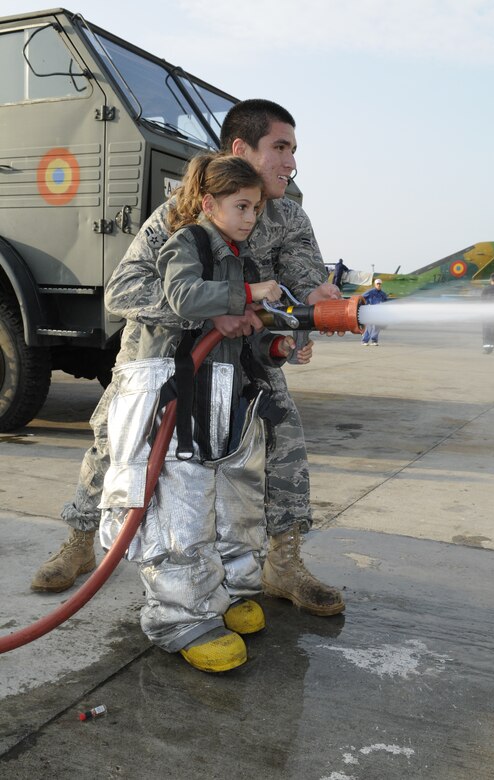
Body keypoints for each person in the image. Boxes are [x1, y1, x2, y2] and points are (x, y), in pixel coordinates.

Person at [31, 99, 346, 618]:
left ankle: (283, 562)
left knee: (283, 434)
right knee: (115, 437)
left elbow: (301, 282)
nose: (291, 163)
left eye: (294, 150)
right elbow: (123, 290)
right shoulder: (183, 210)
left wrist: (311, 312)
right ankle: (81, 541)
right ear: (241, 149)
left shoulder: (288, 215)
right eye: (281, 148)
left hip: (242, 356)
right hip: (159, 353)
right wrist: (205, 311)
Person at [100, 153, 296, 672]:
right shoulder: (185, 240)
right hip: (178, 400)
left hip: (225, 397)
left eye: (255, 207)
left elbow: (240, 331)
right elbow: (183, 297)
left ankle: (225, 593)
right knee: (181, 508)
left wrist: (272, 346)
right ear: (209, 203)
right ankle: (181, 617)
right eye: (242, 206)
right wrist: (243, 296)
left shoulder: (239, 255)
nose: (252, 216)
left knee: (234, 502)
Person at [361, 278, 388, 346]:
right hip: (370, 311)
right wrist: (367, 304)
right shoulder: (370, 292)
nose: (379, 285)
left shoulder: (383, 294)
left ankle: (374, 340)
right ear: (375, 285)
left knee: (377, 327)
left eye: (380, 284)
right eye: (377, 284)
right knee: (369, 327)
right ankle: (364, 341)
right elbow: (362, 297)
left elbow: (386, 302)